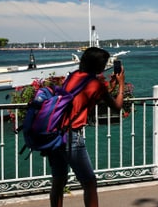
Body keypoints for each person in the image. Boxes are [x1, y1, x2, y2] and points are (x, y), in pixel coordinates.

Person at [48, 47, 126, 207]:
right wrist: (121, 85)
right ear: (99, 66)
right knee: (89, 183)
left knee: (59, 180)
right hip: (71, 136)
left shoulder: (73, 77)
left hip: (55, 133)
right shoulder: (95, 84)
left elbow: (84, 100)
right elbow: (117, 107)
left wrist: (109, 87)